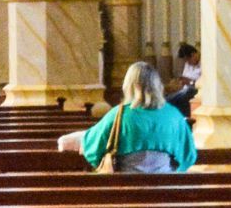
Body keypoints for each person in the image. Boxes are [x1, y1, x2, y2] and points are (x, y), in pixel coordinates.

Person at [66, 61, 198, 173]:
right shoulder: (173, 115)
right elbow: (188, 156)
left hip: (126, 193)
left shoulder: (119, 114)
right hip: (166, 193)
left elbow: (92, 145)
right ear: (157, 85)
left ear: (128, 86)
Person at [166, 42, 201, 117]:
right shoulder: (188, 64)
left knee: (188, 91)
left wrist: (190, 82)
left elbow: (203, 83)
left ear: (193, 55)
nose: (187, 62)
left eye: (188, 60)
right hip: (184, 91)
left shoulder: (204, 63)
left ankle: (165, 101)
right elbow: (185, 78)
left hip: (195, 90)